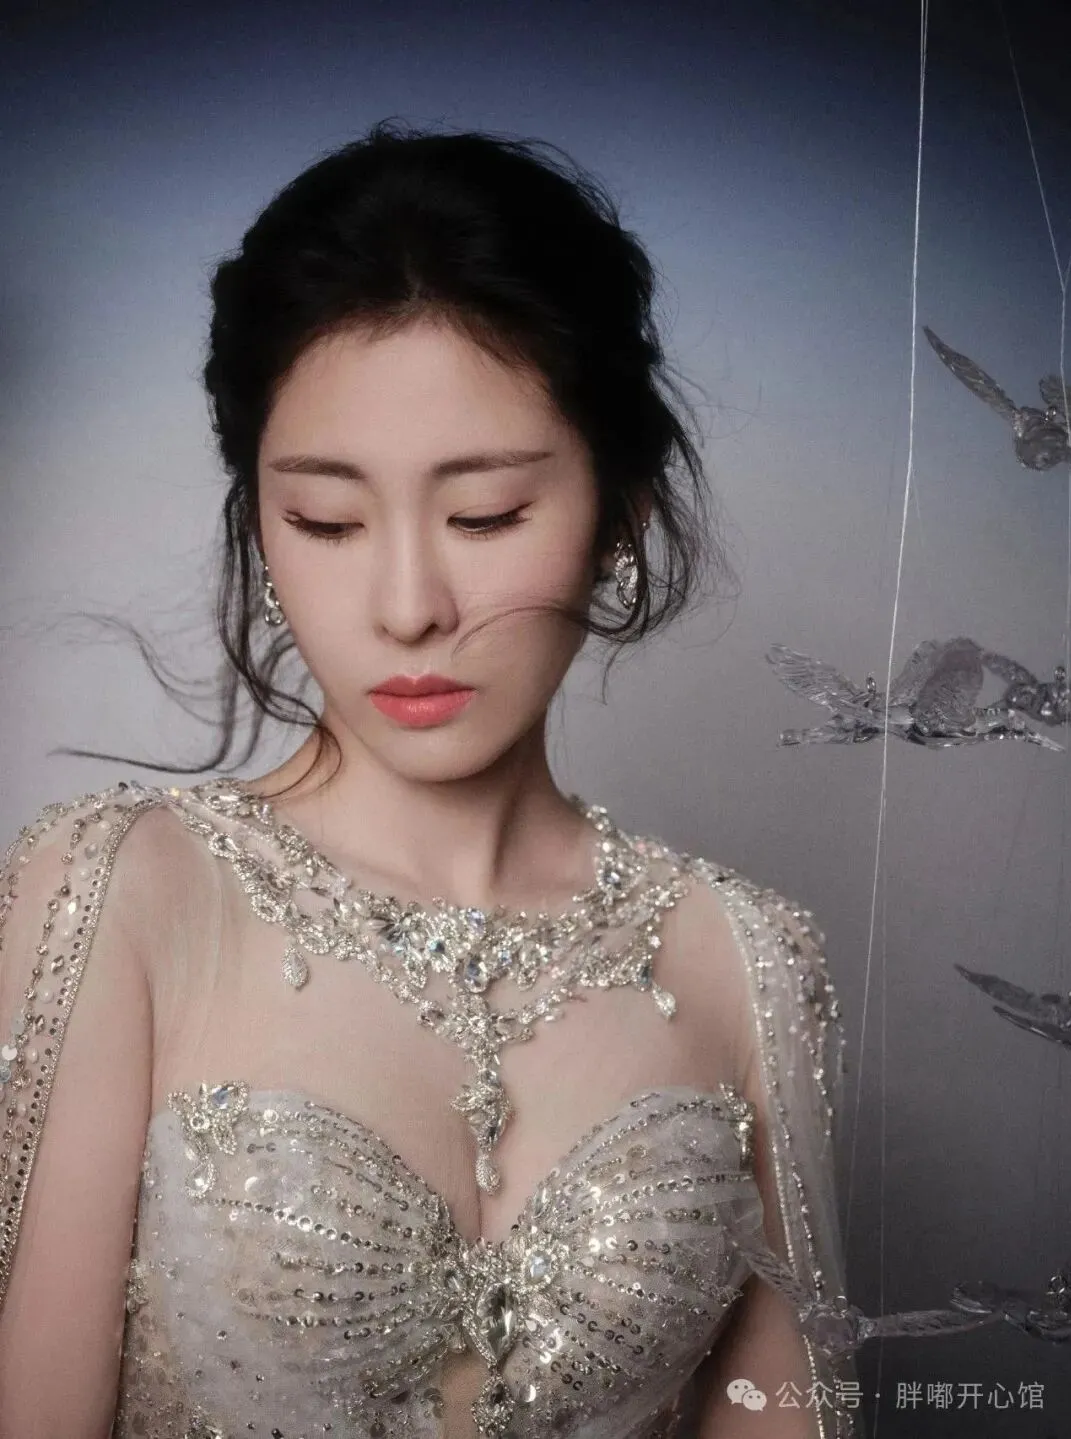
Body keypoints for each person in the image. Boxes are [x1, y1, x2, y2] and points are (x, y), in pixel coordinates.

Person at [0, 121, 862, 1439]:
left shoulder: (744, 958)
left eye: (486, 515)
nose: (408, 606)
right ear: (261, 522)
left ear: (621, 515)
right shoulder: (124, 892)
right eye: (328, 521)